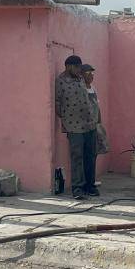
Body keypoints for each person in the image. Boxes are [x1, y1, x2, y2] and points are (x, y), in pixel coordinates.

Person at [55, 55, 98, 200]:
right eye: (77, 67)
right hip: (74, 126)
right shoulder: (61, 81)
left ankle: (90, 186)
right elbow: (57, 102)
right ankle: (78, 188)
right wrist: (66, 118)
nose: (80, 70)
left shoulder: (80, 78)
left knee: (90, 156)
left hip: (89, 123)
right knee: (77, 157)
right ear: (68, 66)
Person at [82, 63, 109, 170]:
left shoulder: (93, 88)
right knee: (85, 154)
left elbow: (97, 107)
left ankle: (91, 180)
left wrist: (99, 124)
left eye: (92, 73)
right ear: (81, 75)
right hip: (84, 127)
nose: (91, 75)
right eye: (88, 73)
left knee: (94, 152)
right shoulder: (81, 88)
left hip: (94, 126)